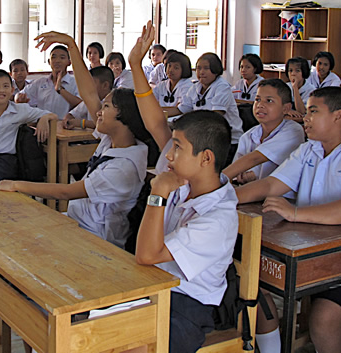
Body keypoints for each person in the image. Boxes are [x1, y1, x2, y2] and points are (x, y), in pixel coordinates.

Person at [236, 87, 341, 353]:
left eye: (313, 111)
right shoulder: (308, 150)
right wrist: (224, 198)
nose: (305, 118)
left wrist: (295, 213)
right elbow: (272, 184)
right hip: (312, 245)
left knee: (323, 319)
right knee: (252, 283)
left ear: (338, 116)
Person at [128, 22, 238, 353]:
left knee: (126, 344)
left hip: (186, 307)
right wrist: (136, 64)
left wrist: (157, 195)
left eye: (177, 147)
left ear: (206, 158)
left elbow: (147, 254)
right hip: (152, 287)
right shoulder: (184, 175)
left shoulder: (217, 217)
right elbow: (156, 122)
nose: (168, 154)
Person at [0, 31, 158, 250]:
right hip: (79, 221)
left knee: (24, 239)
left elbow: (65, 192)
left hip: (96, 239)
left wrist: (16, 185)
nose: (98, 112)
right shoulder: (114, 139)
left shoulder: (123, 166)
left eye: (106, 107)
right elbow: (90, 93)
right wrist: (71, 45)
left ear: (123, 118)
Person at [164, 52, 243, 165]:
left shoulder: (222, 87)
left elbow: (215, 117)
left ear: (215, 69)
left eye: (206, 68)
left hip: (227, 141)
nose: (201, 72)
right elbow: (181, 109)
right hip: (205, 137)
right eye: (198, 68)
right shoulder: (196, 87)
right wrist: (158, 112)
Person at [223, 79, 304, 184]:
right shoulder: (248, 136)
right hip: (249, 192)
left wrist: (220, 179)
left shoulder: (293, 131)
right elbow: (237, 170)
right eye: (257, 99)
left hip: (279, 197)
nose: (260, 105)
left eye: (269, 101)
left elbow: (255, 158)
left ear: (286, 108)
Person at [15, 45, 81, 119]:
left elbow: (81, 105)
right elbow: (20, 94)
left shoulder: (75, 83)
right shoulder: (40, 83)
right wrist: (18, 98)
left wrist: (61, 90)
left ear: (69, 62)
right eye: (53, 57)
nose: (57, 61)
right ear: (49, 61)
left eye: (62, 58)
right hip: (43, 126)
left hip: (65, 126)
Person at [62, 66, 114, 130]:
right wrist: (67, 120)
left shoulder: (114, 102)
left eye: (91, 84)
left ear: (105, 85)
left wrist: (82, 123)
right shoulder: (89, 99)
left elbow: (104, 124)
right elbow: (72, 114)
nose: (87, 87)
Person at [285, 56, 315, 121]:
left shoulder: (310, 90)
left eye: (297, 71)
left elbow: (302, 112)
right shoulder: (285, 86)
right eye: (290, 70)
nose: (293, 74)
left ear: (304, 72)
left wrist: (295, 88)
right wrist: (287, 111)